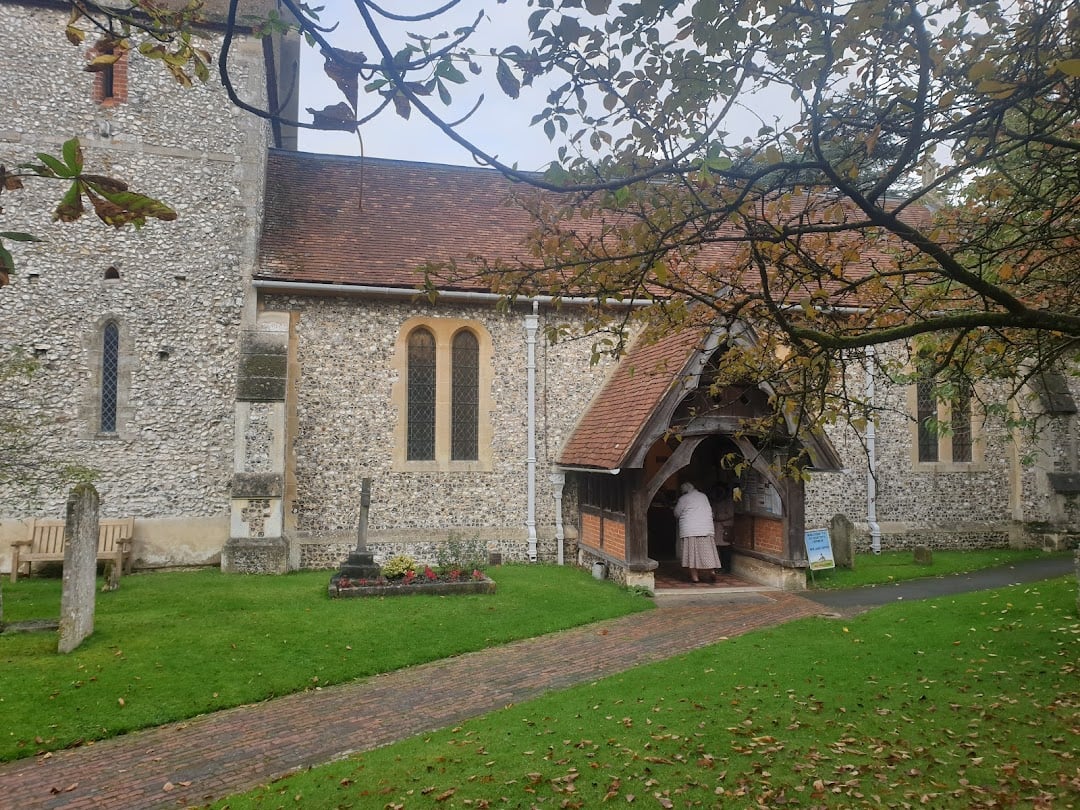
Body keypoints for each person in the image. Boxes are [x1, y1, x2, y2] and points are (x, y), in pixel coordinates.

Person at [673, 481, 723, 583]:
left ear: (684, 491)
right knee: (708, 552)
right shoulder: (703, 496)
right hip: (705, 529)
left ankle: (695, 577)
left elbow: (677, 513)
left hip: (690, 530)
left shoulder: (683, 499)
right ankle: (711, 571)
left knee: (692, 555)